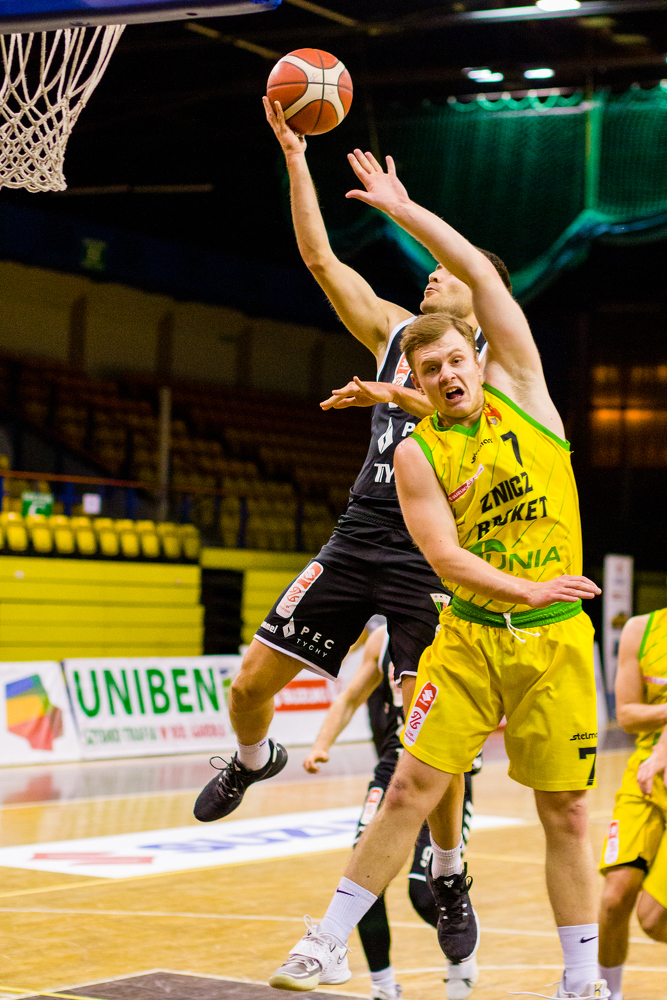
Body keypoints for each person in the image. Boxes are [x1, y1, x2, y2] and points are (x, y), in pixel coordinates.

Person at [269, 150, 606, 1000]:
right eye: (427, 371)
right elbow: (447, 560)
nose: (446, 375)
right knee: (408, 787)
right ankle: (326, 942)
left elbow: (480, 280)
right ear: (415, 379)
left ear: (476, 355)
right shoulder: (419, 453)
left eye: (455, 360)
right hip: (471, 637)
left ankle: (580, 981)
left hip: (553, 646)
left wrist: (401, 209)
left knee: (566, 811)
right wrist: (524, 589)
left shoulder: (525, 391)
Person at [194, 95, 509, 918]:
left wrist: (396, 399)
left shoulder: (500, 365)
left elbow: (470, 416)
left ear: (481, 292)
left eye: (448, 269)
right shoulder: (396, 335)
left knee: (423, 732)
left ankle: (447, 866)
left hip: (437, 559)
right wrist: (296, 159)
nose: (431, 273)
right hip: (358, 534)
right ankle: (254, 758)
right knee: (248, 685)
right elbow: (321, 259)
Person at [303, 621, 478, 1000]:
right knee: (366, 880)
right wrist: (321, 744)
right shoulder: (382, 640)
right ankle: (383, 987)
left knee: (423, 892)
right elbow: (350, 698)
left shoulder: (461, 628)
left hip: (444, 769)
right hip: (391, 770)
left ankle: (461, 949)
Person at [598, 607, 667, 1000]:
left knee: (654, 920)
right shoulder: (641, 630)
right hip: (645, 778)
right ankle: (607, 993)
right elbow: (626, 715)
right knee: (614, 899)